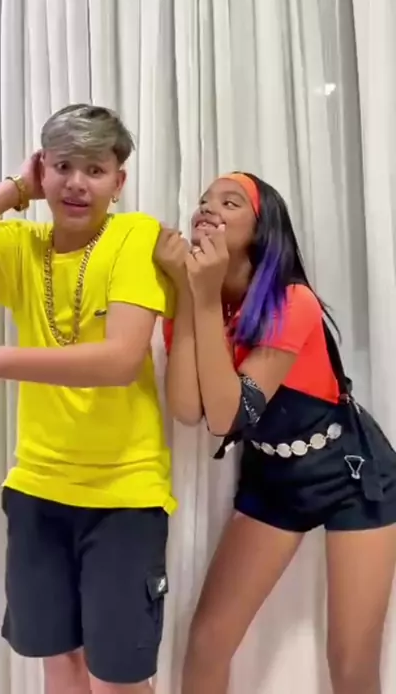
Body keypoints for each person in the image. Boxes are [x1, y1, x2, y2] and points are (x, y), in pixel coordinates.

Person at [0, 104, 175, 694]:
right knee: (60, 664)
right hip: (37, 489)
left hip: (123, 496)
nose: (77, 183)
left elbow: (119, 361)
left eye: (94, 169)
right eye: (62, 167)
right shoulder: (22, 245)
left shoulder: (134, 236)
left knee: (119, 679)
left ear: (118, 181)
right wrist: (15, 189)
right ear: (42, 170)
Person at [155, 171, 396, 694]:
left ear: (263, 229)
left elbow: (229, 417)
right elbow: (189, 411)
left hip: (352, 472)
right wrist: (190, 296)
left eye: (230, 202)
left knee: (351, 662)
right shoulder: (198, 299)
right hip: (274, 475)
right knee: (208, 642)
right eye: (204, 200)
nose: (207, 208)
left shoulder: (292, 301)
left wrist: (201, 297)